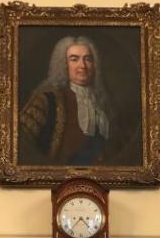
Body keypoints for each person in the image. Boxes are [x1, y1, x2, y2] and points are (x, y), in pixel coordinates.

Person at [18, 36, 119, 166]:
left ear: (94, 65)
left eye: (87, 59)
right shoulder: (45, 101)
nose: (82, 66)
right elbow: (22, 145)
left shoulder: (105, 103)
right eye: (74, 59)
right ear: (64, 64)